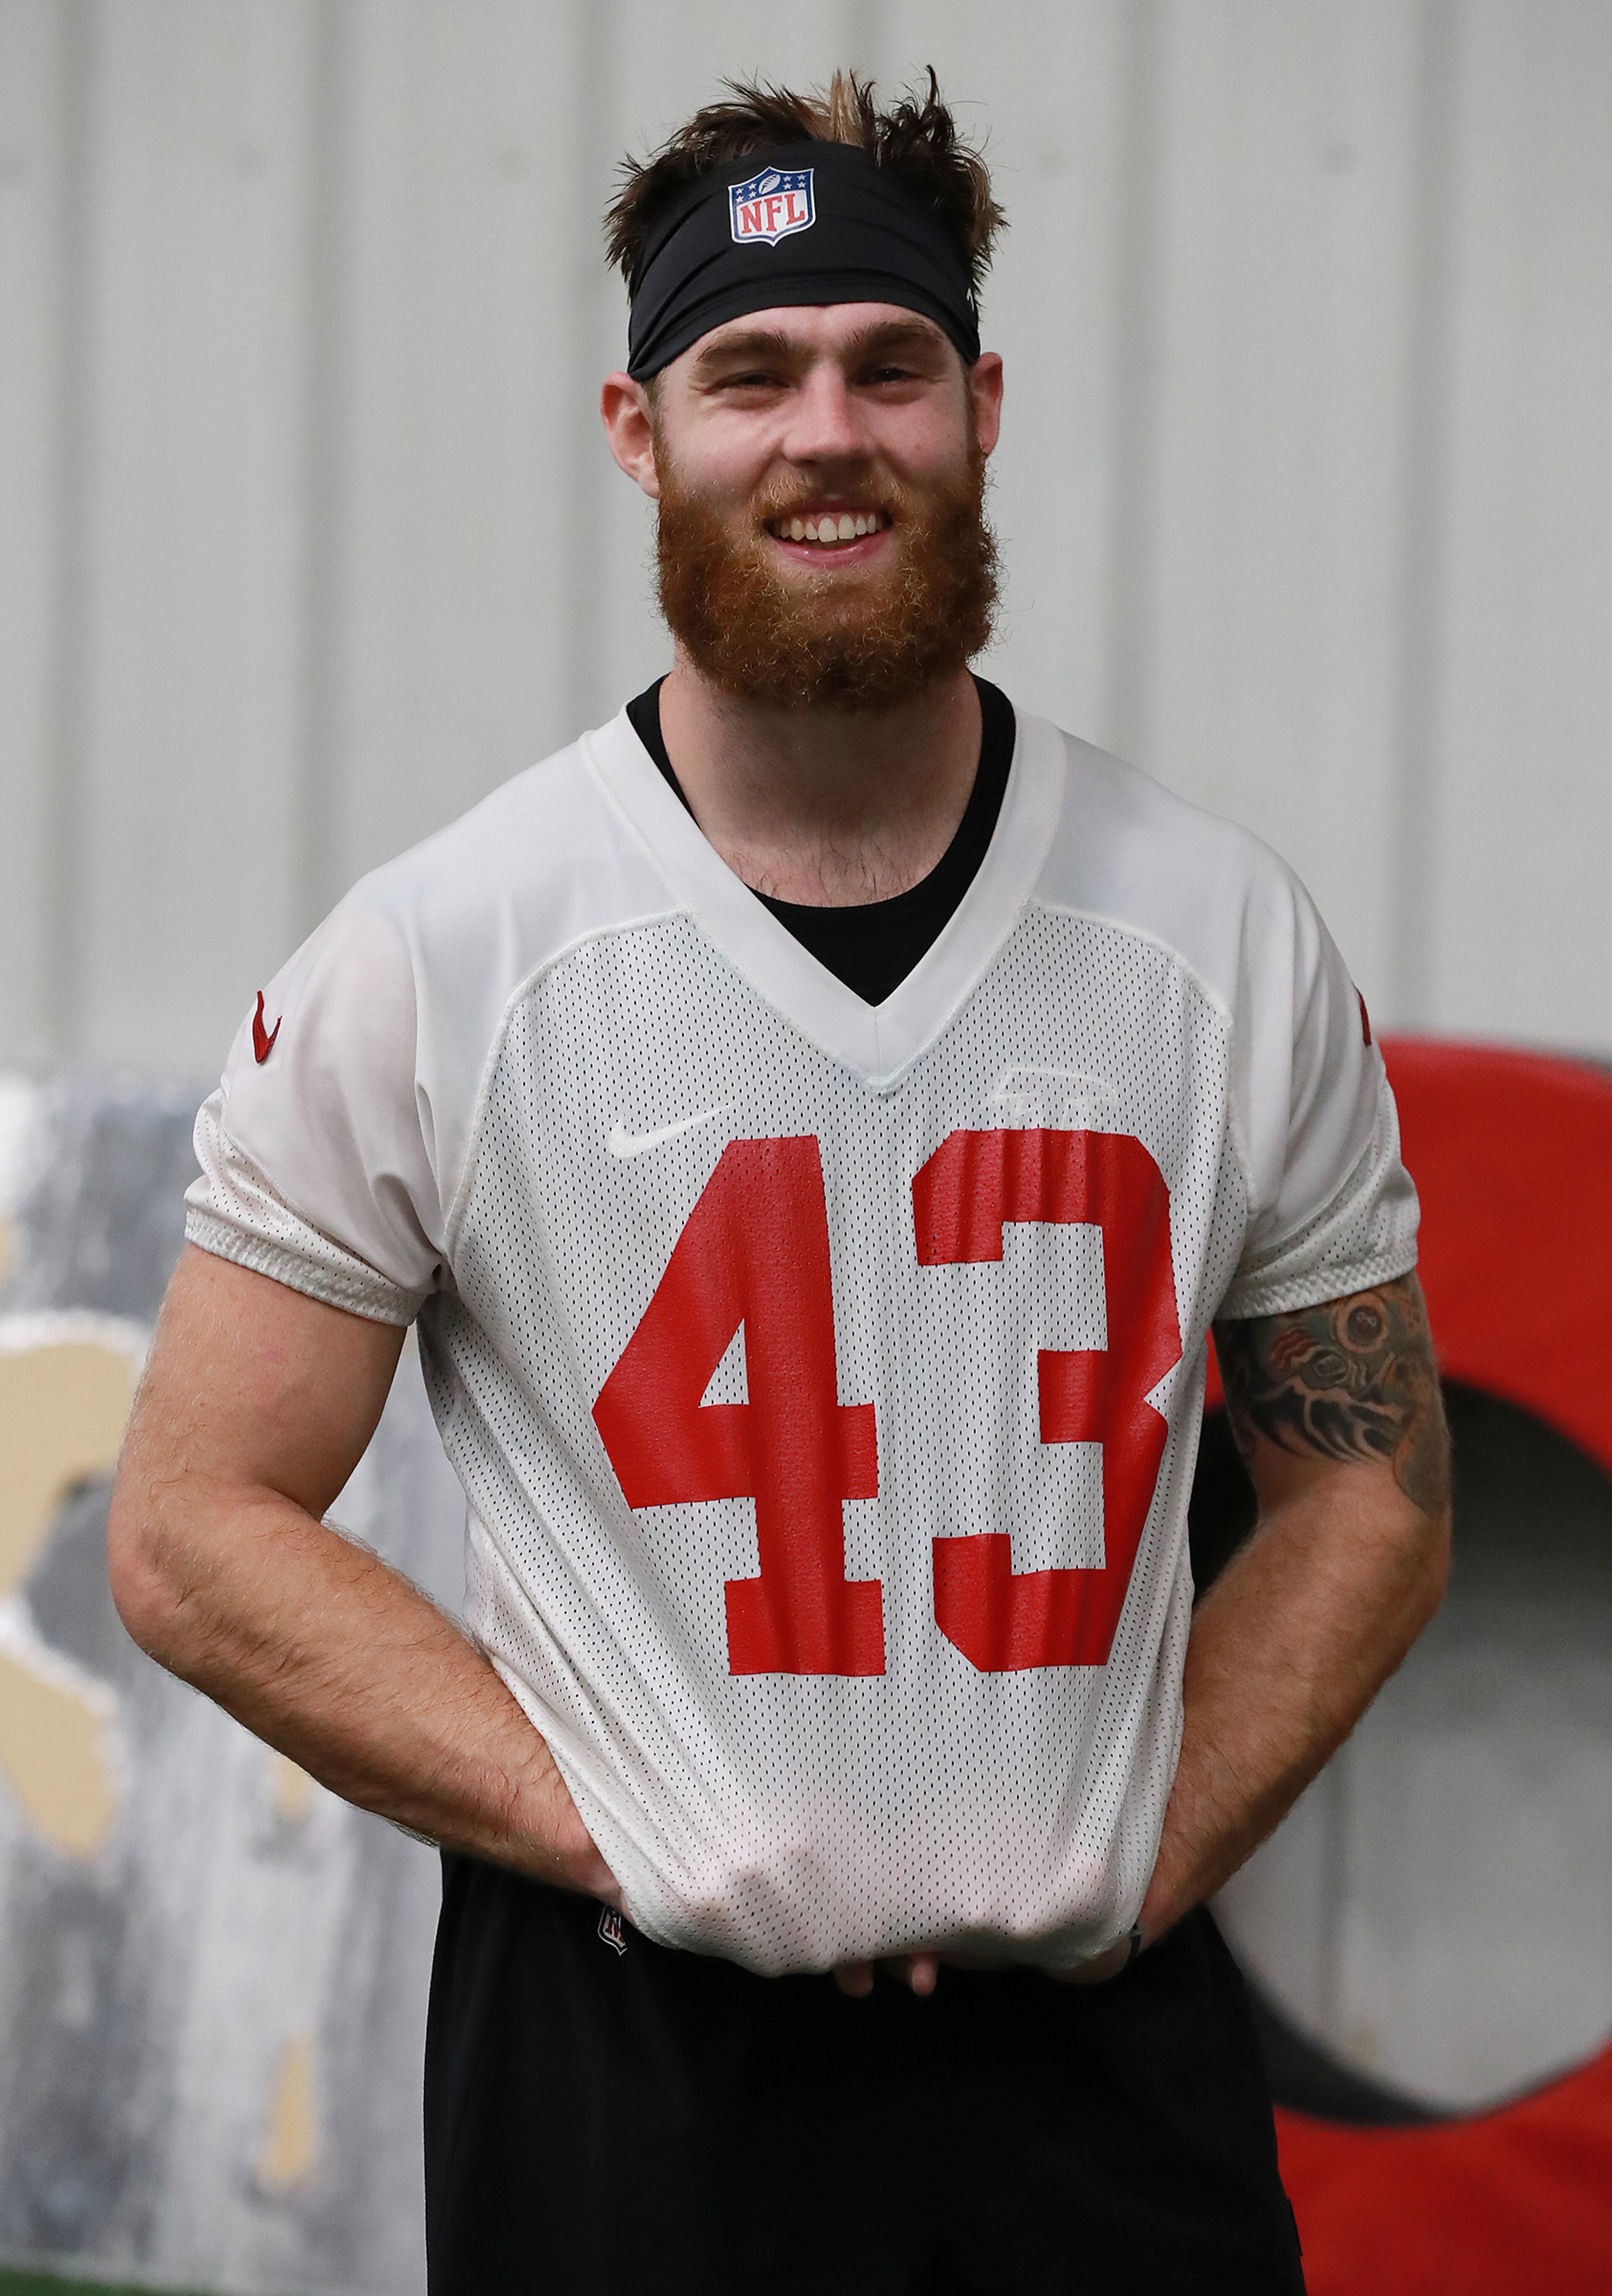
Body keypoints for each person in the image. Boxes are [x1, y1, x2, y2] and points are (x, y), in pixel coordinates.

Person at [108, 70, 1450, 2296]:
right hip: (627, 2078)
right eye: (753, 373)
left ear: (982, 405)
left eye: (886, 365)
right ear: (638, 429)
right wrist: (632, 1826)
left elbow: (1372, 1492)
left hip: (1107, 2090)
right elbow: (187, 1523)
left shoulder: (1216, 935)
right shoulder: (447, 951)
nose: (826, 432)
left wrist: (1152, 1836)